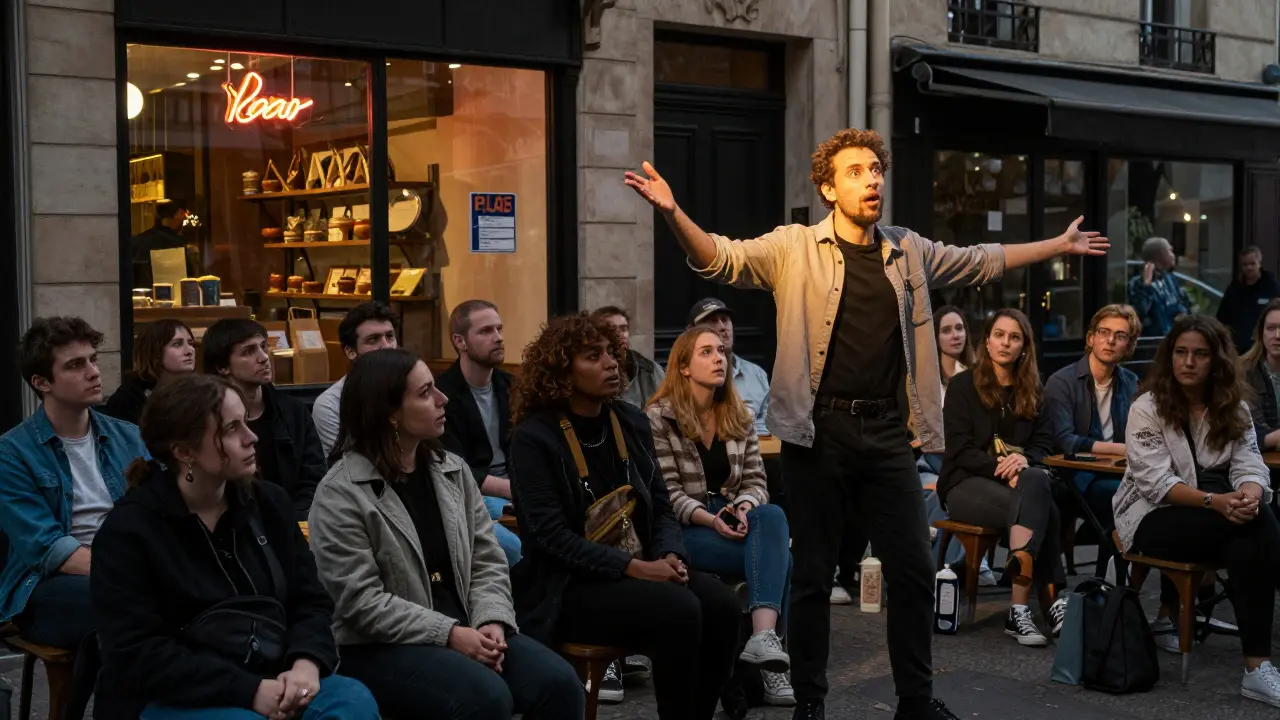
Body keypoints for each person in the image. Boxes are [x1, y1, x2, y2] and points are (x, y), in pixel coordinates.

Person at [624, 127, 1106, 720]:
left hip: (886, 435)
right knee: (812, 576)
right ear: (829, 187)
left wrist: (1056, 246)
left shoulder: (907, 250)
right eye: (856, 171)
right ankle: (811, 703)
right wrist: (674, 213)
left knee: (912, 570)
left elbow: (983, 260)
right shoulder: (794, 247)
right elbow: (719, 259)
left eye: (876, 169)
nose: (872, 179)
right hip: (816, 433)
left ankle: (914, 701)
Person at [308, 348, 583, 719]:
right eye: (424, 393)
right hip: (379, 645)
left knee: (560, 684)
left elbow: (487, 558)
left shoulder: (450, 468)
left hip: (467, 625)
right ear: (389, 412)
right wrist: (450, 633)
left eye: (435, 387)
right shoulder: (341, 492)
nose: (443, 399)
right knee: (484, 698)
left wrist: (492, 619)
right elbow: (360, 603)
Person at [90, 375, 378, 720]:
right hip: (178, 692)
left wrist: (306, 662)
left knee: (350, 703)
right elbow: (137, 653)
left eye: (246, 421)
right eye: (231, 429)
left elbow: (310, 600)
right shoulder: (129, 531)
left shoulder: (268, 503)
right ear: (185, 451)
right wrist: (248, 691)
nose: (251, 437)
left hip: (273, 670)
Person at [507, 314, 741, 719]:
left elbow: (662, 504)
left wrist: (670, 554)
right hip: (567, 587)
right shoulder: (534, 437)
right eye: (592, 356)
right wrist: (636, 568)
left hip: (640, 567)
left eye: (611, 354)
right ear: (562, 369)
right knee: (679, 609)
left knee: (722, 605)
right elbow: (549, 538)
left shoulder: (629, 421)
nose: (611, 363)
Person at [1112, 315, 1280, 708]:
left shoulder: (1233, 408)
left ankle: (1257, 669)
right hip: (1150, 516)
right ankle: (1257, 669)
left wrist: (1250, 495)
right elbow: (1156, 484)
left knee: (1251, 532)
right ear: (1169, 357)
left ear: (1216, 361)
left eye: (1200, 354)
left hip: (1215, 517)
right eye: (1181, 353)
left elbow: (1250, 465)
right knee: (1255, 529)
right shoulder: (1146, 407)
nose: (1188, 362)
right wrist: (1217, 502)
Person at [647, 326, 794, 708]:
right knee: (782, 561)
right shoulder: (658, 417)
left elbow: (757, 480)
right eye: (707, 352)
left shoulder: (739, 413)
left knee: (772, 514)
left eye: (723, 352)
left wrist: (744, 506)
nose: (719, 359)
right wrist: (711, 520)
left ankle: (762, 642)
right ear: (683, 366)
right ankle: (768, 670)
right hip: (687, 528)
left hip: (733, 516)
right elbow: (667, 492)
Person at [0, 317, 148, 656]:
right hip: (49, 587)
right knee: (127, 606)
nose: (94, 372)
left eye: (93, 360)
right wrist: (131, 574)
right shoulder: (12, 453)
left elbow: (160, 510)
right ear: (42, 382)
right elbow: (47, 548)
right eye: (76, 365)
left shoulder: (128, 435)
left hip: (130, 574)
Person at [938, 309, 1065, 647]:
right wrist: (1003, 468)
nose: (1005, 343)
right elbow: (960, 449)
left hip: (1020, 485)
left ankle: (1019, 610)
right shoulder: (963, 386)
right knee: (1044, 508)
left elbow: (1043, 444)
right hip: (964, 484)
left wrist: (1023, 460)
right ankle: (1049, 602)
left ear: (1024, 347)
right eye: (999, 335)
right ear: (987, 341)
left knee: (1035, 482)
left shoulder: (1035, 390)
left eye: (1014, 337)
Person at [1044, 304, 1141, 576]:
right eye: (1104, 332)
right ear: (1091, 338)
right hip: (1074, 476)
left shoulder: (1131, 383)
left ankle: (1114, 584)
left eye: (1120, 336)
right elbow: (1065, 441)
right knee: (1120, 498)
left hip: (1120, 472)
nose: (1110, 340)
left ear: (1129, 345)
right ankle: (1107, 584)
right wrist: (1122, 448)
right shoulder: (1062, 382)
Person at [204, 318, 325, 518]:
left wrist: (292, 520)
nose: (263, 357)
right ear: (222, 367)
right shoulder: (210, 416)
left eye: (263, 347)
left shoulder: (292, 411)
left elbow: (313, 476)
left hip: (294, 520)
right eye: (248, 352)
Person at [437, 299, 522, 566]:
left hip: (517, 486)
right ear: (459, 342)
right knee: (514, 544)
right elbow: (454, 466)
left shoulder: (510, 386)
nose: (497, 338)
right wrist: (514, 489)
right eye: (485, 331)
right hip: (472, 493)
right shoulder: (442, 395)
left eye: (499, 329)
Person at [311, 302, 398, 457]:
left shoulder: (410, 389)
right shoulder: (330, 405)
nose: (386, 346)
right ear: (351, 352)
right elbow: (345, 471)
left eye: (390, 336)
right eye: (373, 339)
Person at [686, 298, 771, 435]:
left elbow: (765, 429)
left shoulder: (756, 374)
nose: (722, 327)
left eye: (725, 319)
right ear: (691, 330)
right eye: (712, 321)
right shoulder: (683, 374)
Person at [103, 319, 197, 425]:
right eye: (177, 344)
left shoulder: (200, 392)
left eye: (190, 343)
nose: (189, 351)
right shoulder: (129, 400)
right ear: (155, 352)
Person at [591, 305, 666, 410]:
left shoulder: (651, 369)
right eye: (611, 329)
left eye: (623, 328)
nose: (619, 334)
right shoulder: (594, 370)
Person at [1217, 246, 1280, 354]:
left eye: (1252, 263)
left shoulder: (1271, 287)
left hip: (1263, 349)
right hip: (1237, 349)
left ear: (1259, 263)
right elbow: (1222, 318)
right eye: (1245, 265)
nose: (1249, 267)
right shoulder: (1234, 289)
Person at [1128, 236, 1192, 337]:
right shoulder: (1137, 283)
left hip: (1173, 338)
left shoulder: (1171, 279)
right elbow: (1139, 312)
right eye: (1170, 251)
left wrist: (1181, 313)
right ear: (1160, 255)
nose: (1173, 255)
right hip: (1152, 343)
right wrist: (1146, 285)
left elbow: (1185, 303)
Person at [131, 199, 196, 289]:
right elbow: (191, 281)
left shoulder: (138, 241)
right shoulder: (179, 245)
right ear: (180, 213)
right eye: (184, 214)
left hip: (144, 297)